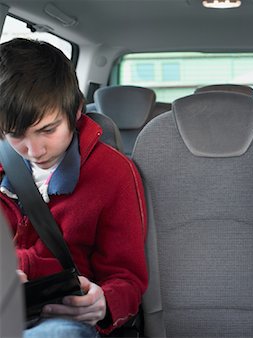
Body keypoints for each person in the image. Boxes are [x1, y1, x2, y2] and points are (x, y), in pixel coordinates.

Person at [0, 38, 148, 337]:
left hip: (63, 319)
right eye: (16, 135)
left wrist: (103, 303)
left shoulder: (114, 173)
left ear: (76, 110)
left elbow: (126, 278)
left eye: (48, 130)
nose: (34, 149)